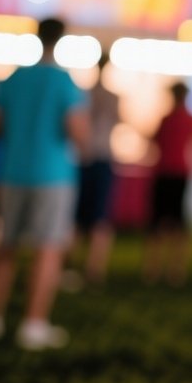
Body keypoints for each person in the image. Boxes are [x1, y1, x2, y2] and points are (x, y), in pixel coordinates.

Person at [0, 18, 88, 350]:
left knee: (6, 246)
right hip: (52, 175)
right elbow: (77, 132)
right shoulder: (65, 81)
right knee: (47, 250)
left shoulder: (15, 78)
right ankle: (34, 324)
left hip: (13, 171)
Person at [70, 52, 120, 289]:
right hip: (101, 158)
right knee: (99, 217)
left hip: (84, 158)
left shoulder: (84, 94)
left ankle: (72, 264)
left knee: (77, 216)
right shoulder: (111, 97)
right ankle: (94, 269)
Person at [143, 81, 192, 287]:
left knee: (158, 223)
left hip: (164, 172)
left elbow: (152, 141)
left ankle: (153, 269)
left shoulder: (166, 119)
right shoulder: (191, 120)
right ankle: (176, 270)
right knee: (178, 223)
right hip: (180, 173)